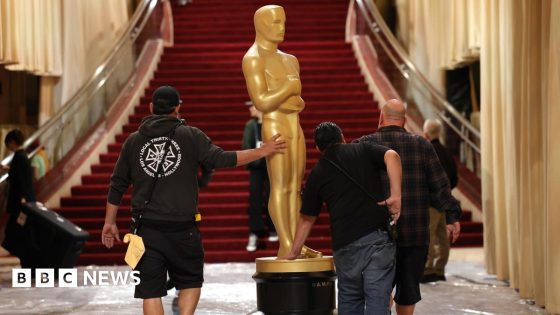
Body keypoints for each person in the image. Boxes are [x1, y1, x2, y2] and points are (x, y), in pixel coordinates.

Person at [101, 86, 286, 315]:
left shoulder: (133, 141)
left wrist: (110, 222)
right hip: (183, 228)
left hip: (145, 229)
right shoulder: (191, 136)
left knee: (150, 291)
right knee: (190, 282)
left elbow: (117, 183)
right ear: (178, 107)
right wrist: (264, 150)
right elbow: (223, 159)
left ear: (151, 108)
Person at [280, 122, 402, 315]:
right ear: (342, 137)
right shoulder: (363, 149)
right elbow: (392, 156)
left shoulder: (318, 173)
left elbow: (306, 219)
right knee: (378, 297)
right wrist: (396, 195)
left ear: (318, 148)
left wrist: (294, 252)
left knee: (349, 297)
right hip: (377, 240)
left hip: (345, 246)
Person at [354, 99, 462, 315]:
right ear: (404, 121)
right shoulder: (422, 145)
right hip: (415, 233)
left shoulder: (363, 145)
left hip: (376, 235)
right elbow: (440, 185)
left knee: (379, 290)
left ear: (380, 118)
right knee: (408, 290)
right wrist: (452, 216)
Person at [242, 4, 320, 258]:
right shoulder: (254, 58)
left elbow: (299, 102)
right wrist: (288, 88)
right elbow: (262, 102)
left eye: (283, 22)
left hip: (294, 124)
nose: (282, 27)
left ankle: (297, 244)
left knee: (295, 187)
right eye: (275, 22)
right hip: (275, 124)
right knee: (280, 186)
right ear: (261, 25)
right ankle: (286, 243)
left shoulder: (290, 60)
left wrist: (288, 95)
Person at [421, 119, 459, 283]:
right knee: (443, 237)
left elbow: (426, 178)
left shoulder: (428, 151)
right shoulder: (446, 152)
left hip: (431, 202)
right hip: (445, 201)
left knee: (429, 235)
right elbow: (455, 178)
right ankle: (440, 269)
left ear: (426, 133)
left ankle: (428, 269)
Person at [242, 101, 277, 252]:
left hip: (271, 165)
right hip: (256, 166)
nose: (250, 109)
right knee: (255, 198)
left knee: (271, 196)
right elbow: (245, 146)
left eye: (252, 106)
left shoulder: (273, 123)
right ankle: (255, 231)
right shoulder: (250, 125)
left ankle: (273, 227)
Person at [1, 129, 37, 269]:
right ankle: (27, 262)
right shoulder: (22, 156)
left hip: (20, 203)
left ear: (12, 142)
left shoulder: (19, 157)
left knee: (15, 233)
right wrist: (7, 169)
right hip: (23, 202)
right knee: (21, 233)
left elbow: (20, 179)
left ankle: (27, 262)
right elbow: (20, 174)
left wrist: (22, 198)